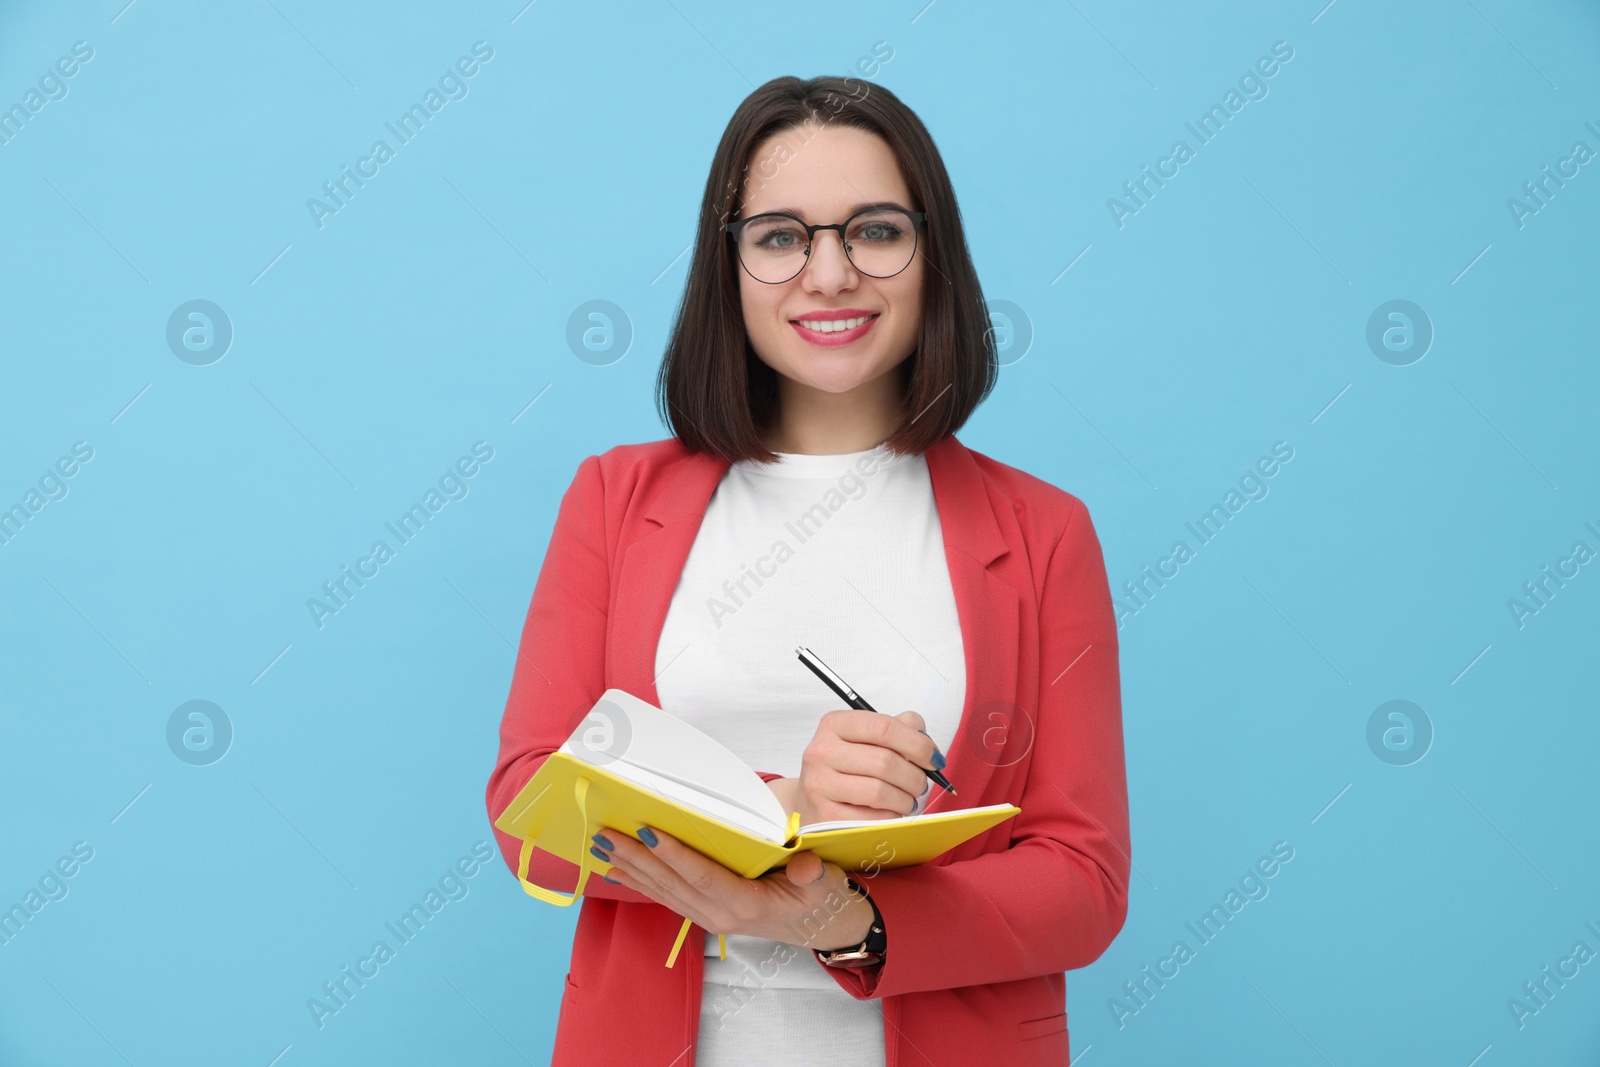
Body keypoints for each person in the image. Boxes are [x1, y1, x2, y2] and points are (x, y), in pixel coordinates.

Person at [485, 74, 1129, 1067]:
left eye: (873, 230)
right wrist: (785, 810)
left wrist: (836, 913)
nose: (828, 274)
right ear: (728, 262)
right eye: (781, 236)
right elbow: (531, 813)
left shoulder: (1043, 530)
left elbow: (1082, 882)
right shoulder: (614, 501)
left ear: (932, 253)